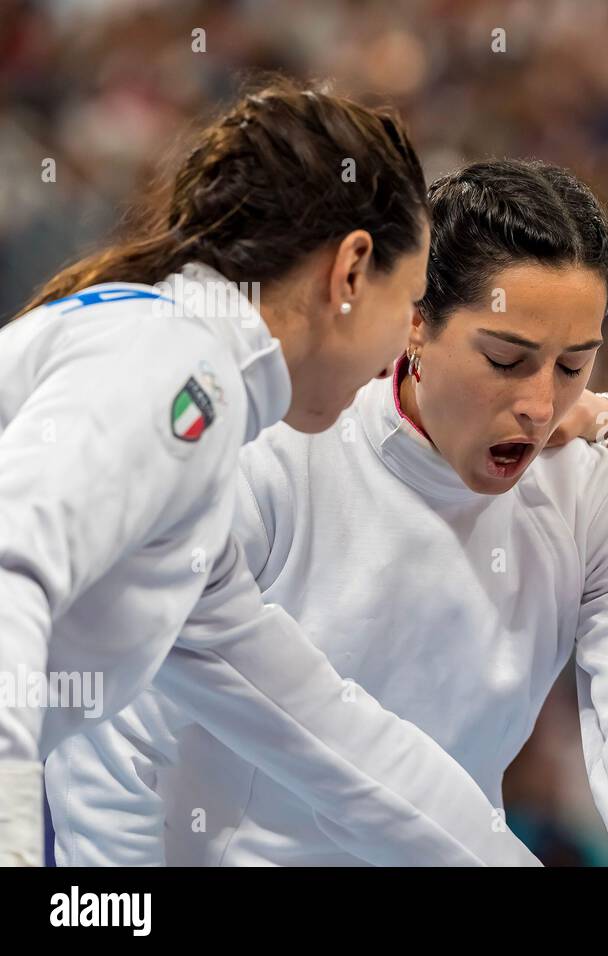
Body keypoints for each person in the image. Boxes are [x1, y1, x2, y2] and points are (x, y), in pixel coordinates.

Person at [46, 159, 608, 866]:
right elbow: (114, 738)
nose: (539, 405)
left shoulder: (594, 489)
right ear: (416, 321)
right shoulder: (274, 455)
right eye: (507, 359)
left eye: (572, 367)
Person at [1, 77, 540, 866]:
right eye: (411, 303)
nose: (405, 348)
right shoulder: (177, 368)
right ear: (352, 271)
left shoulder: (194, 433)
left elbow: (330, 734)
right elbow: (11, 570)